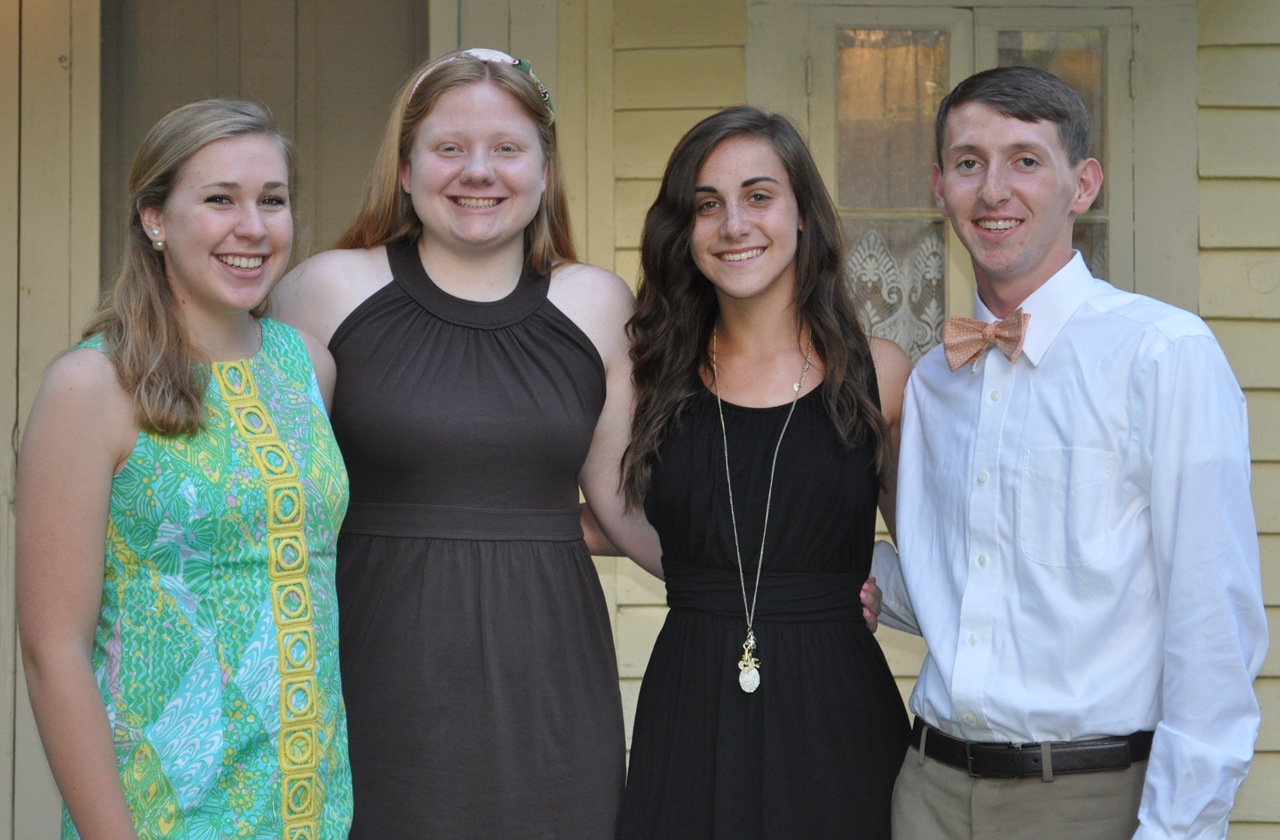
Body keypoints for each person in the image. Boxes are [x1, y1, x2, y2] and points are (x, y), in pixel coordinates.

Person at [270, 49, 662, 838]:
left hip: (548, 682)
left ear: (545, 170)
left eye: (507, 149)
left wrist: (779, 586)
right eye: (449, 148)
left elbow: (625, 506)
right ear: (406, 169)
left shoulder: (596, 305)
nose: (477, 171)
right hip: (373, 676)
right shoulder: (324, 292)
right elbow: (271, 501)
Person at [872, 66, 1268, 840]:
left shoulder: (1162, 354)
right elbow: (952, 583)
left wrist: (1179, 830)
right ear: (939, 186)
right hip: (927, 793)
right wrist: (851, 579)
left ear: (1081, 185)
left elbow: (1211, 624)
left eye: (1026, 160)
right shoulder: (930, 384)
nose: (993, 190)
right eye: (968, 162)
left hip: (1091, 799)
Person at [16, 99, 351, 839]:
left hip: (311, 808)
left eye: (273, 200)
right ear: (155, 219)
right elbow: (52, 651)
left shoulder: (308, 368)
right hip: (164, 814)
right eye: (219, 200)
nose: (253, 228)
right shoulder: (91, 386)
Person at [615, 106, 912, 839]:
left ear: (803, 215)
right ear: (683, 231)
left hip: (839, 710)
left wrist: (878, 592)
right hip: (690, 707)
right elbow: (593, 516)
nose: (733, 224)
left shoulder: (879, 373)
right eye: (706, 205)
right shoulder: (647, 377)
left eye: (758, 196)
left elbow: (940, 549)